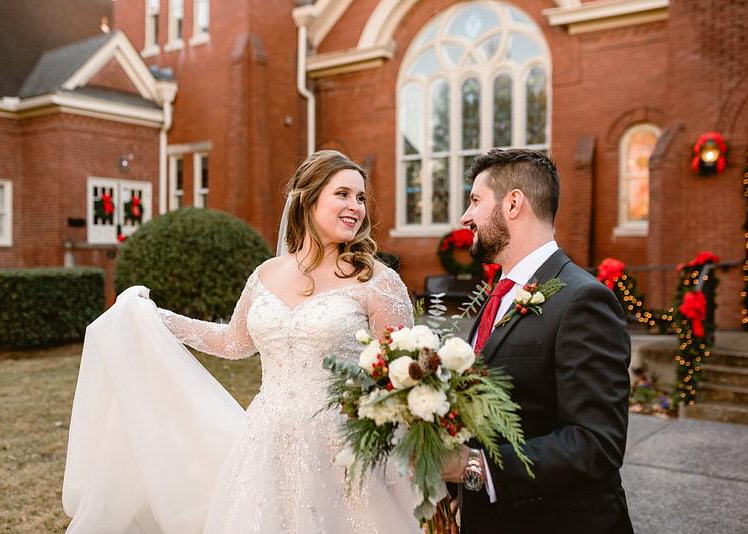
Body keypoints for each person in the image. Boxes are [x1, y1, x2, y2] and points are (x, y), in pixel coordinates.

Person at [62, 150, 421, 533]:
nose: (356, 207)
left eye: (361, 198)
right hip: (266, 441)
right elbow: (233, 342)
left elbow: (402, 376)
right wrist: (156, 317)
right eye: (343, 195)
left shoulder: (378, 282)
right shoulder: (267, 273)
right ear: (308, 199)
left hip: (345, 448)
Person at [440, 148, 634, 533]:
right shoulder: (498, 293)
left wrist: (472, 466)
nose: (465, 217)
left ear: (513, 203)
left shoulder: (583, 299)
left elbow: (596, 444)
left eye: (475, 200)